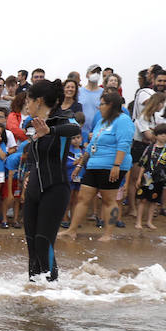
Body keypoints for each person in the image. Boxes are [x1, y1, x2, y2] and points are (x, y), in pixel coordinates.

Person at [19, 80, 81, 281]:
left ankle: (52, 291)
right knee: (31, 243)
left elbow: (76, 129)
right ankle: (34, 289)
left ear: (38, 101)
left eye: (28, 100)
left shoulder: (62, 119)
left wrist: (50, 130)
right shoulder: (31, 123)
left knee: (44, 242)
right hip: (34, 188)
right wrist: (28, 174)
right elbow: (32, 154)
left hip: (55, 188)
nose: (26, 105)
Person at [64, 91, 132, 241]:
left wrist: (116, 165)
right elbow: (90, 146)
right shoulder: (101, 121)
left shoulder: (123, 120)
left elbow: (124, 143)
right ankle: (71, 230)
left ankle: (108, 234)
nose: (99, 107)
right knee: (83, 197)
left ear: (111, 105)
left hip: (111, 166)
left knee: (109, 200)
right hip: (94, 164)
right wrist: (80, 165)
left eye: (102, 104)